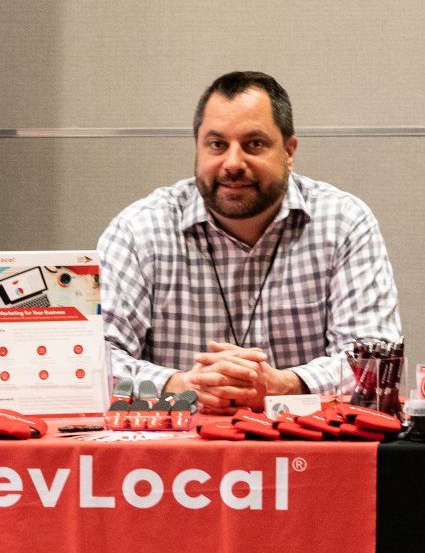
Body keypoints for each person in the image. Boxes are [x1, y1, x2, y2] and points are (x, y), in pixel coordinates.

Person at [97, 70, 403, 412]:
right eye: (217, 145)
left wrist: (286, 386)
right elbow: (92, 358)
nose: (232, 163)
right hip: (176, 452)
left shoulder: (344, 223)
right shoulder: (140, 229)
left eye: (254, 144)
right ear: (197, 149)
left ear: (289, 151)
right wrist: (181, 386)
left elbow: (376, 360)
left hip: (306, 448)